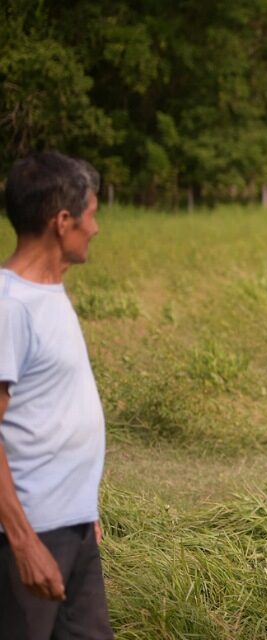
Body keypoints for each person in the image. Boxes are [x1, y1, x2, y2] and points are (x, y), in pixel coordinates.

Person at [0, 152, 113, 638]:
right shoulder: (9, 307)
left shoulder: (50, 292)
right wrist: (24, 542)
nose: (96, 228)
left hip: (75, 526)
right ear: (62, 222)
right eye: (91, 215)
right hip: (29, 535)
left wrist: (85, 508)